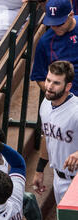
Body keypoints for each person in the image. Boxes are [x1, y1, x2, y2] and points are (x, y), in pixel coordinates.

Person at [32, 60, 78, 204]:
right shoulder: (45, 104)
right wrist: (39, 170)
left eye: (56, 83)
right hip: (58, 179)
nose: (49, 86)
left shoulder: (76, 111)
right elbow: (48, 137)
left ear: (67, 86)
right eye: (48, 80)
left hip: (76, 181)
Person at [30, 0, 78, 95]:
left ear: (71, 15)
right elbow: (39, 77)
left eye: (60, 24)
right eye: (52, 24)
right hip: (68, 98)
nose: (56, 28)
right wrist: (60, 96)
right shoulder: (45, 41)